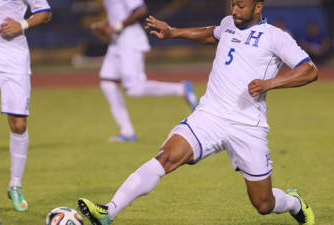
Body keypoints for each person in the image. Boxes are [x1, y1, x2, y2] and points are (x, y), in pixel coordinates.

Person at [77, 0, 318, 224]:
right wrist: (173, 32)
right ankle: (109, 211)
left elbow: (309, 70)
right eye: (233, 3)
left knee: (264, 204)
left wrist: (270, 84)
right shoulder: (228, 24)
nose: (234, 10)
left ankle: (295, 203)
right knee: (166, 157)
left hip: (247, 125)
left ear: (258, 7)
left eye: (241, 5)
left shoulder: (275, 37)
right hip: (209, 116)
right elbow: (210, 33)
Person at [90, 0, 198, 142]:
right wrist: (104, 25)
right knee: (107, 83)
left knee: (134, 89)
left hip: (130, 39)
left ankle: (181, 89)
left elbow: (140, 10)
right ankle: (127, 132)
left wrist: (117, 26)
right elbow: (119, 13)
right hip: (117, 41)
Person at [0, 0, 52, 212]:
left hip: (13, 60)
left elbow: (45, 13)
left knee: (18, 124)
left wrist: (22, 24)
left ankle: (15, 184)